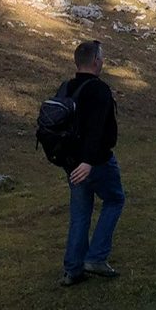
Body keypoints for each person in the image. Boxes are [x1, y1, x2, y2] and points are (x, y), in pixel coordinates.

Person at [59, 40, 126, 287]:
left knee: (80, 213)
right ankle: (96, 257)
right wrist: (88, 161)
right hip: (96, 162)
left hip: (71, 164)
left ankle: (73, 269)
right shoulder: (99, 89)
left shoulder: (66, 88)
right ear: (96, 61)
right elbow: (96, 129)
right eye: (102, 57)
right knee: (115, 200)